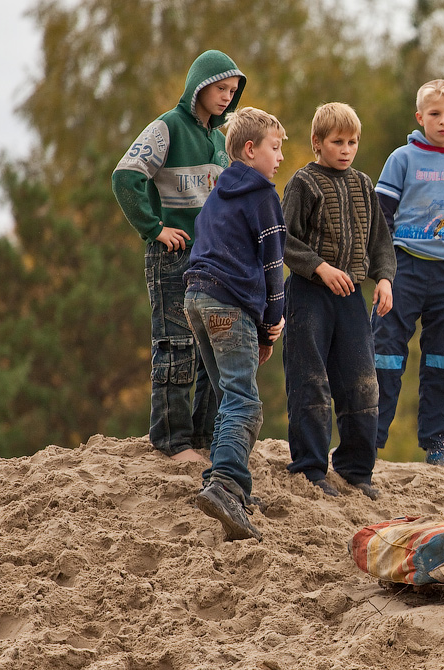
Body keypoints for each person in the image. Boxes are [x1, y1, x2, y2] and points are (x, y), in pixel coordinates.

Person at [112, 50, 246, 463]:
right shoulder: (166, 127)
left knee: (213, 350)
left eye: (232, 91)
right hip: (172, 257)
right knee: (176, 345)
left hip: (213, 261)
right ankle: (172, 441)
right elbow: (125, 176)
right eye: (220, 88)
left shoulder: (222, 143)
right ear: (199, 86)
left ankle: (204, 438)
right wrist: (154, 228)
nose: (226, 97)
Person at [371, 79, 444, 471]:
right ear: (420, 117)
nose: (442, 121)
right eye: (434, 114)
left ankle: (439, 445)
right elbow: (381, 215)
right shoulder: (402, 158)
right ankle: (367, 439)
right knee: (385, 352)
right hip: (405, 266)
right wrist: (384, 265)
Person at [183, 106, 288, 541]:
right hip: (230, 302)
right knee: (244, 401)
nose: (280, 158)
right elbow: (274, 267)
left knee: (229, 395)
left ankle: (229, 482)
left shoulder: (217, 194)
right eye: (276, 148)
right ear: (250, 149)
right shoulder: (263, 195)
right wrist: (272, 322)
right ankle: (225, 484)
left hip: (195, 299)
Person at [282, 102, 396, 500]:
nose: (346, 149)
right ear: (317, 142)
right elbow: (285, 240)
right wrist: (320, 268)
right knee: (310, 383)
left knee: (362, 383)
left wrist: (384, 279)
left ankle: (355, 469)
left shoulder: (364, 184)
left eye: (352, 142)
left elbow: (381, 240)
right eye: (337, 141)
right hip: (309, 295)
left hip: (351, 297)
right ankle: (310, 468)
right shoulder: (303, 183)